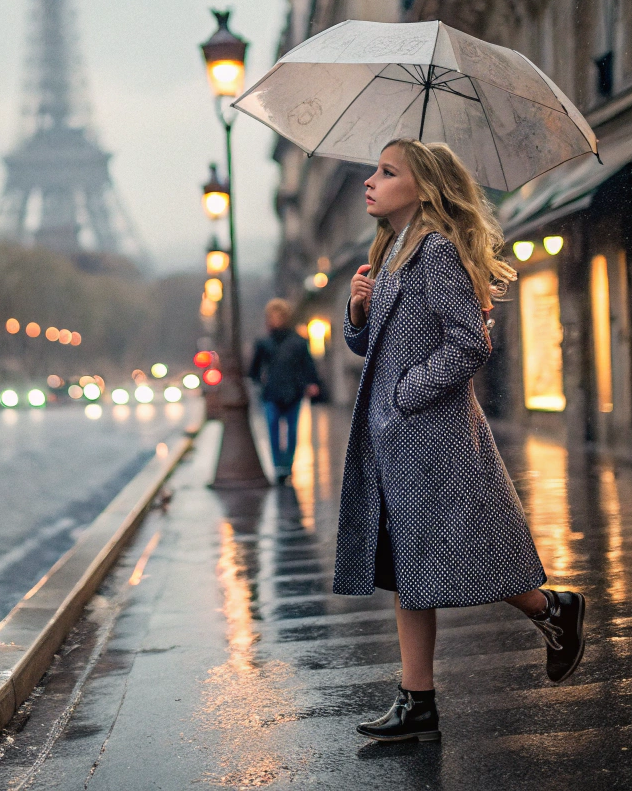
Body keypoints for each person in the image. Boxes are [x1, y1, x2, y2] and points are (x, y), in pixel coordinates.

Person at [338, 138, 585, 743]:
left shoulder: (438, 254)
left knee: (470, 556)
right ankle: (416, 699)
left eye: (387, 172)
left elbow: (470, 343)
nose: (370, 181)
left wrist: (405, 392)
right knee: (409, 572)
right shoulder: (392, 254)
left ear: (422, 188)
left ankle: (552, 608)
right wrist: (356, 311)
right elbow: (369, 350)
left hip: (434, 441)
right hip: (398, 445)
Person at [248, 298, 321, 484]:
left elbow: (307, 364)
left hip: (293, 391)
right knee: (273, 429)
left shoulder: (298, 341)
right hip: (271, 392)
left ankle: (287, 465)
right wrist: (260, 381)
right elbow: (254, 370)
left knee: (291, 431)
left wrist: (311, 383)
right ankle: (278, 466)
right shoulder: (263, 343)